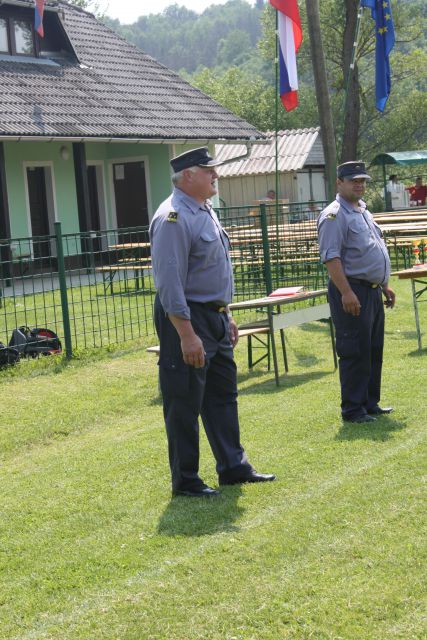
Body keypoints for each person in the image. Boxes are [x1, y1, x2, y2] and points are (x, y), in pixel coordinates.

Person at [149, 147, 275, 497]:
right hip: (186, 317)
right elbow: (170, 284)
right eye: (208, 171)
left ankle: (233, 467)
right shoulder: (172, 217)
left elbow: (212, 271)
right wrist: (187, 335)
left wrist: (227, 314)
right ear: (187, 175)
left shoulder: (203, 210)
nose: (215, 175)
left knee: (222, 393)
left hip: (214, 315)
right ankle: (186, 480)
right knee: (185, 399)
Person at [317, 161, 396, 424]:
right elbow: (332, 257)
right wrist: (346, 292)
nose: (359, 185)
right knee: (354, 350)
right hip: (352, 290)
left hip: (371, 290)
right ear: (339, 182)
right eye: (353, 181)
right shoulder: (334, 215)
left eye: (362, 180)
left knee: (373, 349)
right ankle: (352, 410)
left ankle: (369, 403)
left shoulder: (362, 211)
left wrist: (384, 285)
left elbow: (370, 249)